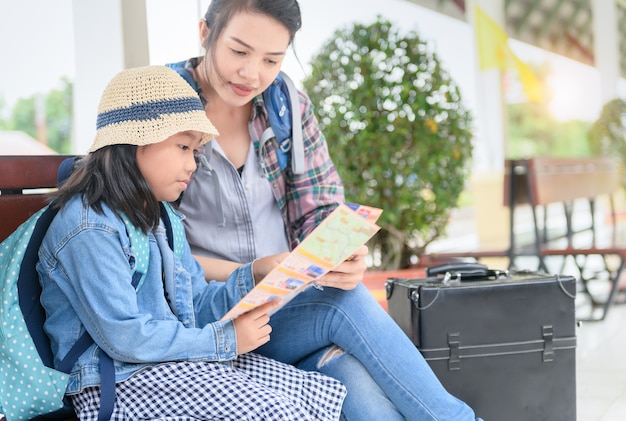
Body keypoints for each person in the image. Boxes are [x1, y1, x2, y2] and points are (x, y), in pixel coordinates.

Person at [171, 0, 483, 420]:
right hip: (207, 315)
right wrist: (258, 271)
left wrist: (341, 255)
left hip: (281, 310)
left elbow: (318, 210)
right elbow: (152, 251)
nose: (252, 73)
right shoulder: (166, 104)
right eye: (239, 52)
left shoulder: (286, 106)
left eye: (271, 59)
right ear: (205, 33)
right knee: (341, 305)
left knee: (353, 380)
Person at [36, 65, 347, 420]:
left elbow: (195, 303)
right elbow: (126, 337)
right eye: (183, 146)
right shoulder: (90, 227)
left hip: (166, 367)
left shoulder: (162, 218)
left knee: (311, 393)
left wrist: (256, 275)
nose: (192, 164)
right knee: (273, 410)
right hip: (114, 385)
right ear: (134, 141)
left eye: (196, 151)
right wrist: (225, 341)